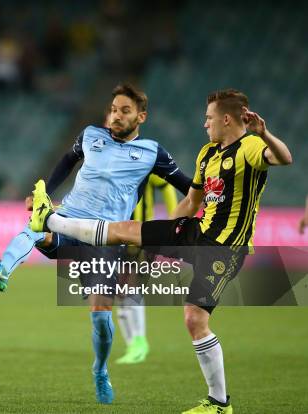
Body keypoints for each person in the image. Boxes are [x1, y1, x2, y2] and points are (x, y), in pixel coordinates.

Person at [30, 89, 293, 413]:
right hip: (197, 231)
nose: (205, 123)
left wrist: (264, 133)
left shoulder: (252, 147)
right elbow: (192, 201)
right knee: (127, 231)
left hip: (224, 249)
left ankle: (219, 403)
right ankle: (51, 220)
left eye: (209, 118)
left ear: (227, 119)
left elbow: (283, 158)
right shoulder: (208, 154)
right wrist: (159, 238)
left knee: (194, 319)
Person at [0, 83, 192, 404]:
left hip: (106, 237)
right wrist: (47, 193)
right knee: (40, 223)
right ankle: (2, 269)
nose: (116, 116)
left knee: (100, 315)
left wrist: (211, 197)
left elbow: (190, 186)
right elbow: (67, 160)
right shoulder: (91, 135)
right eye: (114, 109)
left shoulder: (153, 152)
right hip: (70, 216)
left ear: (141, 116)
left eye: (125, 111)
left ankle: (100, 370)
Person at [116, 174, 178, 365]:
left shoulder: (146, 163)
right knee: (119, 292)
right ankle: (132, 345)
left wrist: (173, 222)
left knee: (132, 289)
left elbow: (166, 186)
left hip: (142, 235)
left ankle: (139, 342)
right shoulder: (112, 164)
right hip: (116, 234)